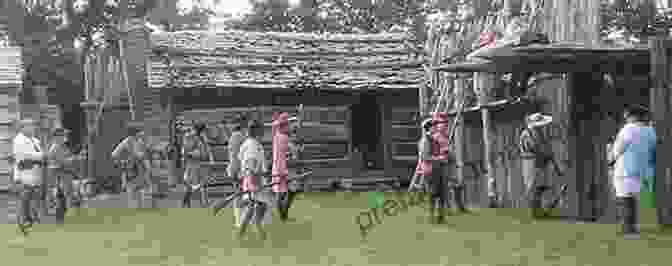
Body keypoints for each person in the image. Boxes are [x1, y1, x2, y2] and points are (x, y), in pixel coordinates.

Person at [609, 105, 655, 238]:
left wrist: (610, 161)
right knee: (632, 199)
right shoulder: (650, 130)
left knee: (625, 199)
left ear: (633, 116)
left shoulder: (628, 129)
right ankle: (631, 227)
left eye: (627, 116)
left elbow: (618, 149)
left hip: (625, 168)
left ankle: (629, 230)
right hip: (641, 169)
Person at [519, 112, 567, 218]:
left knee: (540, 188)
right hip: (532, 163)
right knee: (534, 188)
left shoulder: (539, 134)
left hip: (540, 163)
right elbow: (534, 148)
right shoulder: (528, 134)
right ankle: (536, 212)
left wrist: (551, 158)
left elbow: (545, 149)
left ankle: (540, 211)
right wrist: (546, 154)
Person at [237, 119, 271, 240]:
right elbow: (250, 164)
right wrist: (256, 181)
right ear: (257, 131)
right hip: (254, 180)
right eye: (261, 130)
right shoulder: (252, 145)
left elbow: (241, 159)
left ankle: (242, 233)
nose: (263, 132)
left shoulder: (249, 143)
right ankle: (258, 229)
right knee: (261, 206)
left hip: (252, 179)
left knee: (252, 208)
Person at [13, 118, 47, 225]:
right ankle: (24, 218)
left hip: (35, 170)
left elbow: (40, 153)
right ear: (23, 128)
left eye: (32, 126)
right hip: (25, 170)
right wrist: (41, 156)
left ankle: (32, 216)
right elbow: (25, 155)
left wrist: (42, 156)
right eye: (29, 126)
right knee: (26, 195)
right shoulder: (18, 140)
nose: (32, 128)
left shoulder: (35, 140)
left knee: (35, 194)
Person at [111, 121, 153, 199]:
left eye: (139, 132)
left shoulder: (141, 140)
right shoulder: (127, 141)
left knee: (145, 179)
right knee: (132, 185)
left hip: (141, 164)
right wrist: (122, 162)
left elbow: (146, 151)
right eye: (138, 132)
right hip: (133, 165)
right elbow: (114, 154)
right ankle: (133, 197)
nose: (139, 134)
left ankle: (146, 194)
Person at [271, 112, 299, 222]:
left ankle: (283, 216)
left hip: (280, 167)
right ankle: (283, 216)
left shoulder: (277, 135)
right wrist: (295, 150)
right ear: (284, 126)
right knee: (283, 192)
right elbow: (294, 154)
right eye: (287, 124)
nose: (289, 126)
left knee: (286, 191)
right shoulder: (283, 138)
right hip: (282, 168)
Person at [180, 122, 214, 207]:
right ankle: (187, 202)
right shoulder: (189, 137)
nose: (201, 132)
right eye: (201, 130)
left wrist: (208, 157)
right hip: (192, 163)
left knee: (200, 184)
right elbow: (186, 151)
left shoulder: (201, 137)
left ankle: (203, 203)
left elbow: (205, 149)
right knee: (192, 185)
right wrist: (195, 154)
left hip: (200, 163)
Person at [47, 127, 78, 209]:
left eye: (65, 135)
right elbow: (64, 162)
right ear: (57, 137)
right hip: (60, 176)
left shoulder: (62, 146)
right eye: (63, 135)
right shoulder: (55, 148)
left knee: (68, 195)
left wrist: (73, 158)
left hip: (65, 175)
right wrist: (75, 159)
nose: (65, 137)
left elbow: (68, 157)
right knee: (65, 196)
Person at [226, 114, 247, 227]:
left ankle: (239, 219)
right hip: (238, 169)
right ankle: (240, 220)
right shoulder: (240, 136)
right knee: (241, 194)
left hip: (233, 168)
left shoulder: (234, 136)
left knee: (239, 194)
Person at [409, 118, 433, 192]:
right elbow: (424, 156)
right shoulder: (425, 141)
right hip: (426, 165)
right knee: (427, 182)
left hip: (423, 164)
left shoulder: (425, 139)